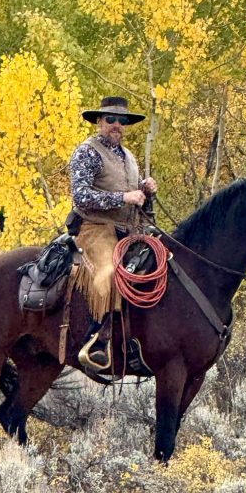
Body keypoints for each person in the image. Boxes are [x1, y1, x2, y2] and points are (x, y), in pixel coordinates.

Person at [68, 96, 157, 372]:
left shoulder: (128, 156)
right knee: (110, 271)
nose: (117, 125)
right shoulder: (87, 152)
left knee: (160, 266)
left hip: (130, 230)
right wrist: (123, 197)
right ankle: (98, 339)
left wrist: (145, 189)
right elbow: (81, 196)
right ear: (99, 122)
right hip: (94, 228)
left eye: (122, 121)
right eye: (111, 119)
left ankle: (143, 339)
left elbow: (132, 193)